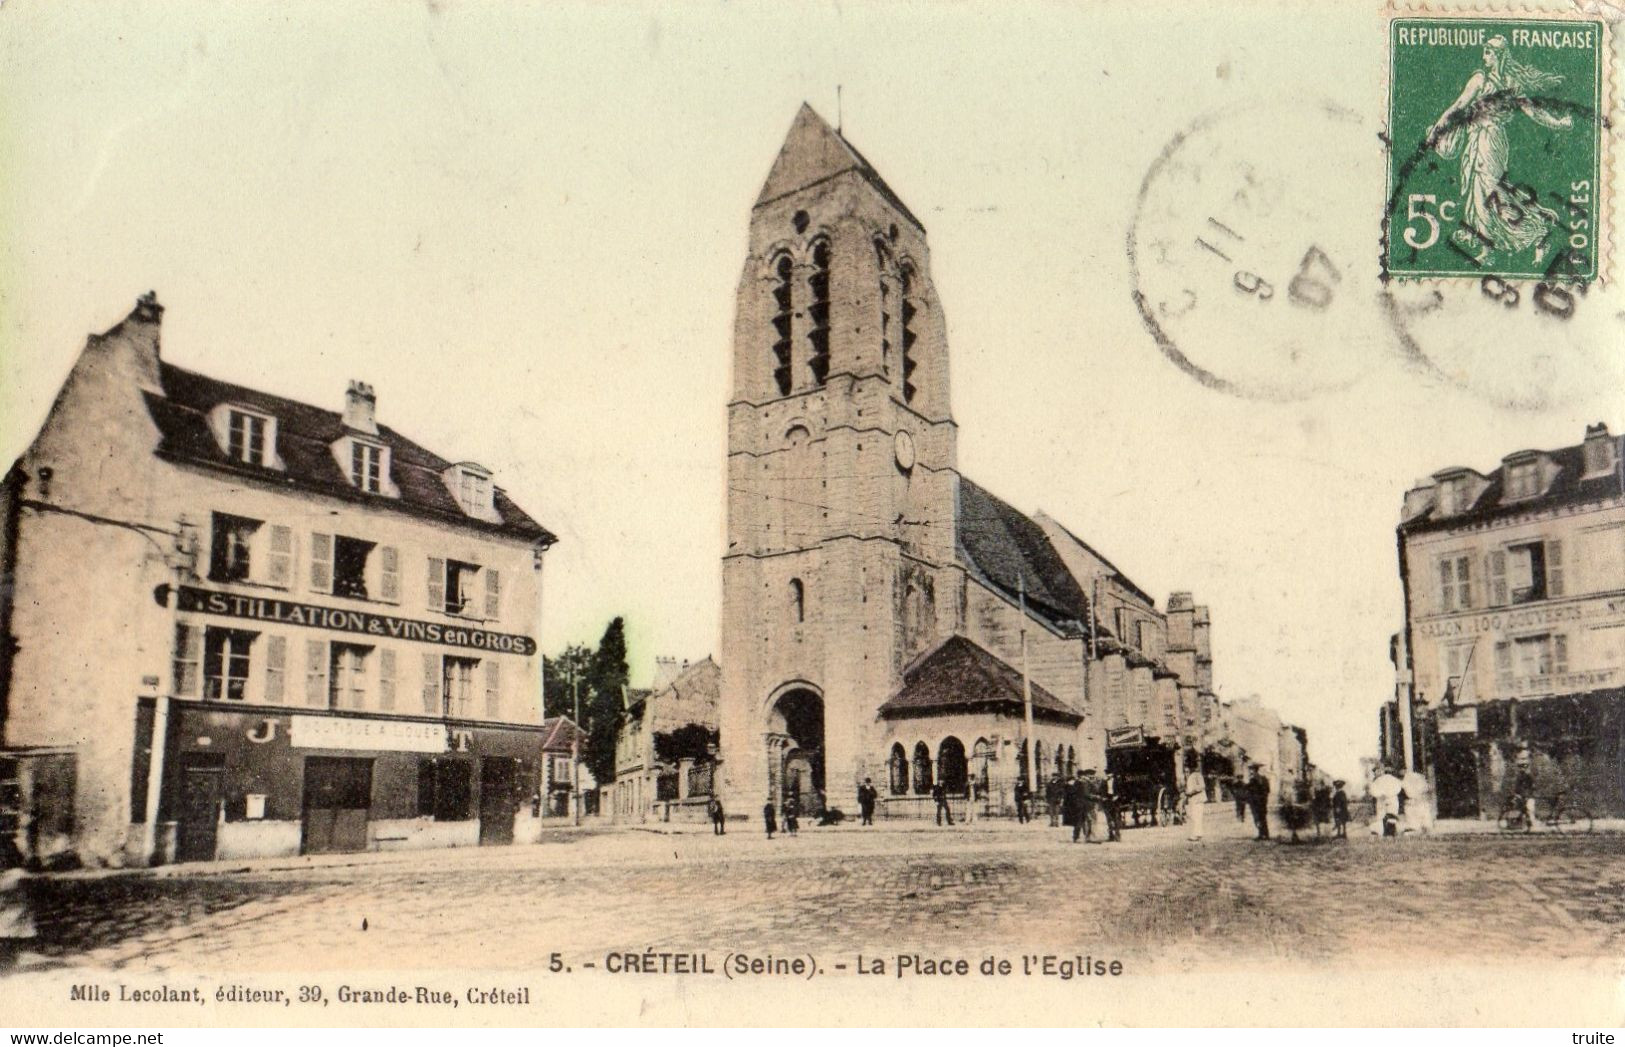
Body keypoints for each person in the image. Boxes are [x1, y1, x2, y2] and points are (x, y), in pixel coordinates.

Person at [1426, 36, 1573, 263]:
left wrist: (1558, 123)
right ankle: (1535, 230)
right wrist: (1439, 127)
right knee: (1487, 190)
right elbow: (1459, 106)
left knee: (1486, 190)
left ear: (1497, 55)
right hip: (1480, 139)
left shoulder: (1490, 81)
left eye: (1487, 52)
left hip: (1489, 140)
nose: (1484, 57)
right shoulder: (1491, 80)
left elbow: (1532, 111)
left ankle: (1505, 242)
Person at [1183, 757, 1207, 842]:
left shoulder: (1197, 775)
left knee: (1197, 816)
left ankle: (1197, 834)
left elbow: (1202, 786)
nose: (1186, 770)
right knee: (1193, 816)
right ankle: (1197, 833)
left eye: (1188, 767)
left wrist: (1192, 792)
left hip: (1198, 799)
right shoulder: (1190, 776)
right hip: (1192, 800)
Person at [1246, 764, 1271, 841]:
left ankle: (1261, 834)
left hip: (1255, 802)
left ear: (1254, 770)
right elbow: (1268, 790)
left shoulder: (1253, 779)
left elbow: (1249, 790)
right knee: (1262, 818)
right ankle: (1265, 834)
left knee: (1257, 818)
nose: (1250, 771)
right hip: (1262, 801)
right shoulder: (1264, 778)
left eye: (1251, 769)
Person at [1512, 761, 1536, 832]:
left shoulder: (1529, 776)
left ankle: (1530, 825)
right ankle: (1525, 826)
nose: (1522, 769)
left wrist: (1530, 794)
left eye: (1524, 768)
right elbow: (1517, 786)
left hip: (1528, 796)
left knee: (1529, 810)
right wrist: (1516, 793)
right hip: (1521, 796)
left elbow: (1533, 786)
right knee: (1523, 811)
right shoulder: (1519, 776)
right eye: (1521, 768)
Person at [1065, 772, 1088, 843]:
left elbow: (1084, 794)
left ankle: (1079, 836)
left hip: (1078, 806)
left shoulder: (1078, 784)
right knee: (1078, 822)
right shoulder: (1069, 786)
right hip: (1076, 806)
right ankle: (1079, 836)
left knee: (1079, 822)